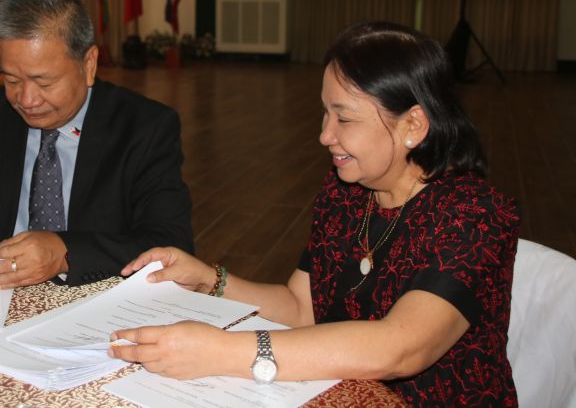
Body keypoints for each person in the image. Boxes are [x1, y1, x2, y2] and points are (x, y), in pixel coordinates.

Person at [108, 21, 519, 406]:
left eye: (344, 118)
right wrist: (210, 279)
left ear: (413, 125)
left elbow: (400, 348)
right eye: (325, 113)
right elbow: (302, 308)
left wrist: (222, 351)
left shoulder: (474, 215)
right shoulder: (347, 191)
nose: (325, 135)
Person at [0, 0, 193, 288]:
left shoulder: (144, 128)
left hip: (95, 299)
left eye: (44, 82)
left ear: (88, 64)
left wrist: (65, 253)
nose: (26, 99)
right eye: (11, 79)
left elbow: (171, 243)